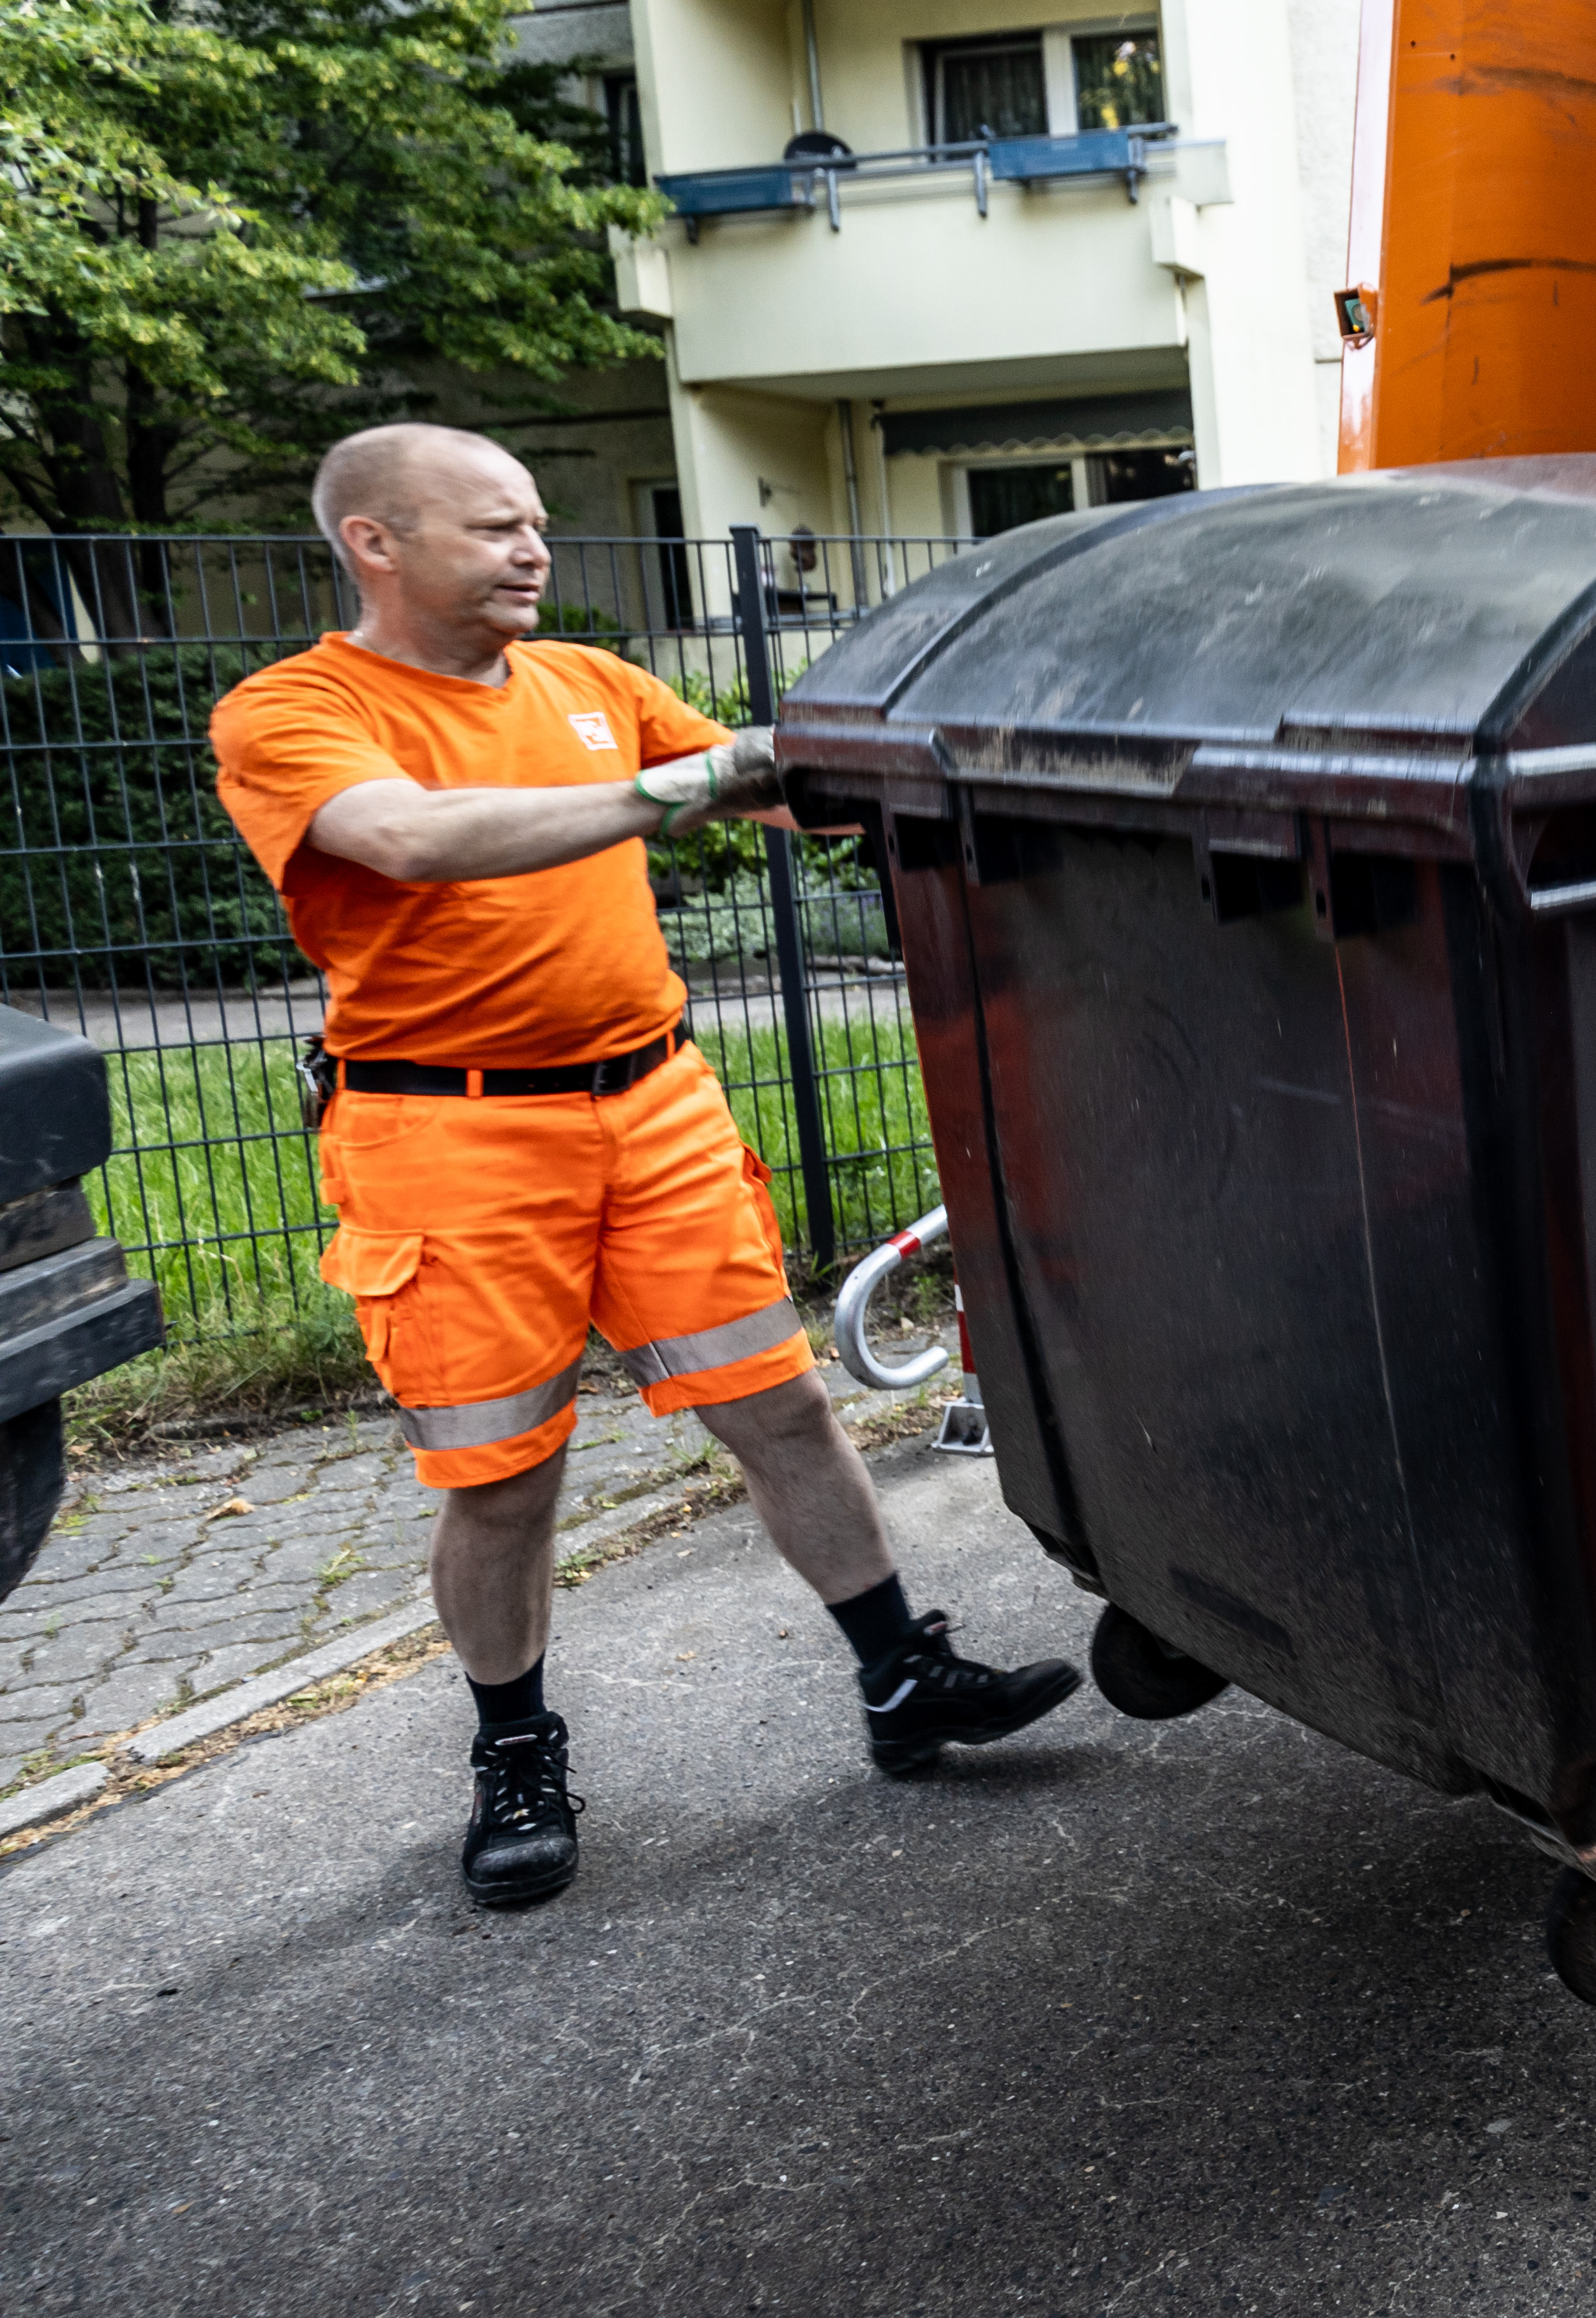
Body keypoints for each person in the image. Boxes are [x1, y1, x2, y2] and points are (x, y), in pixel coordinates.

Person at [209, 424, 1073, 1912]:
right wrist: (687, 786)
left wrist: (921, 749)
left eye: (537, 522)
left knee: (785, 1408)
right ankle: (517, 1749)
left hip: (655, 1105)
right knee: (505, 1480)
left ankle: (901, 1677)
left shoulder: (592, 686)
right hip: (449, 1137)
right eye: (493, 528)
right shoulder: (296, 710)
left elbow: (772, 788)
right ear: (376, 541)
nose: (534, 549)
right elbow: (412, 840)